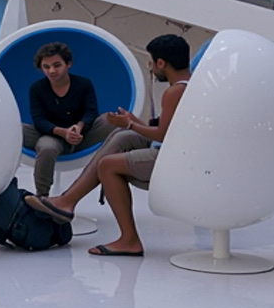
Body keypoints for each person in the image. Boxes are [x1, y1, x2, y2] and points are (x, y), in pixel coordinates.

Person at [28, 33, 193, 257]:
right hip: (175, 148)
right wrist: (131, 124)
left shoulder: (174, 92)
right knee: (121, 136)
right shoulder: (189, 85)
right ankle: (66, 201)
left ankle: (129, 240)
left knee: (108, 165)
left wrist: (131, 124)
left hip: (176, 158)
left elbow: (164, 135)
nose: (151, 68)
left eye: (151, 62)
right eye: (47, 66)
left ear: (161, 63)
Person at [22, 41, 99, 199]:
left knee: (110, 121)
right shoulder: (37, 88)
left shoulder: (83, 84)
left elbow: (91, 112)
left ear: (68, 64)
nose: (52, 71)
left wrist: (78, 127)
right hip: (51, 135)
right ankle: (42, 196)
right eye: (46, 67)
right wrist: (62, 132)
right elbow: (39, 120)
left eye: (57, 65)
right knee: (43, 145)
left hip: (82, 135)